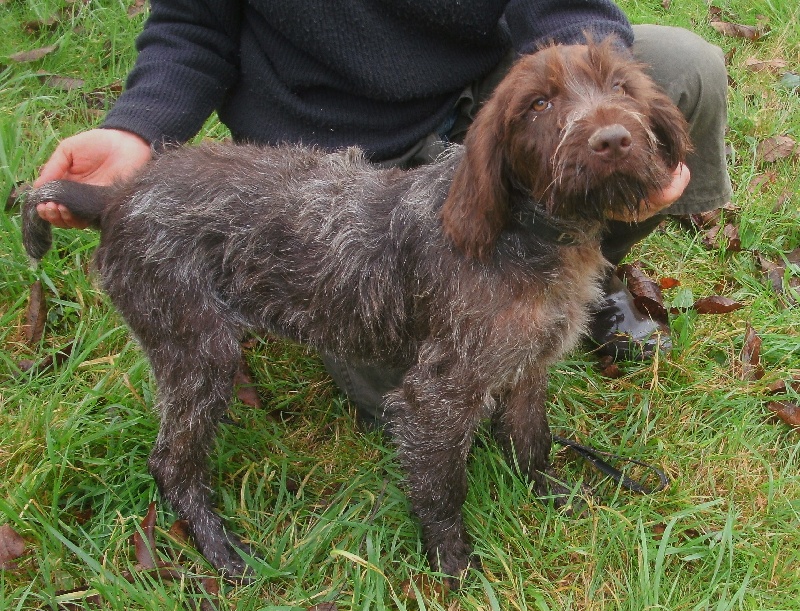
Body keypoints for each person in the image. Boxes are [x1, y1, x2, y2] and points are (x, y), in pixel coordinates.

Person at [33, 1, 731, 425]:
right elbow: (193, 26)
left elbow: (562, 8)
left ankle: (568, 279)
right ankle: (511, 305)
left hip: (488, 103)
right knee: (437, 402)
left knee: (683, 68)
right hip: (342, 158)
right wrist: (137, 128)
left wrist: (593, 108)